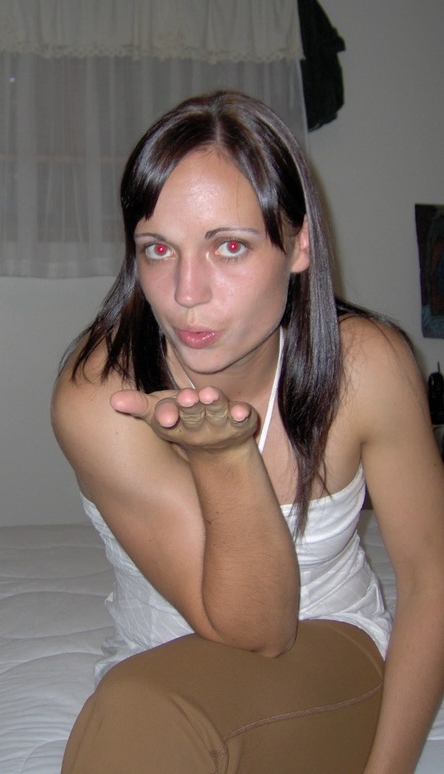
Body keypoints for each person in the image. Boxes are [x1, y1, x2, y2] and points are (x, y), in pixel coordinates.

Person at [52, 91, 444, 773]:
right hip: (159, 669)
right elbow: (239, 625)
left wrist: (387, 771)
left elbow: (429, 579)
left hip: (327, 656)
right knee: (142, 705)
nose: (187, 292)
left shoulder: (367, 366)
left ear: (298, 245)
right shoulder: (103, 395)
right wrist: (225, 456)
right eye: (158, 249)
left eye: (229, 246)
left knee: (142, 708)